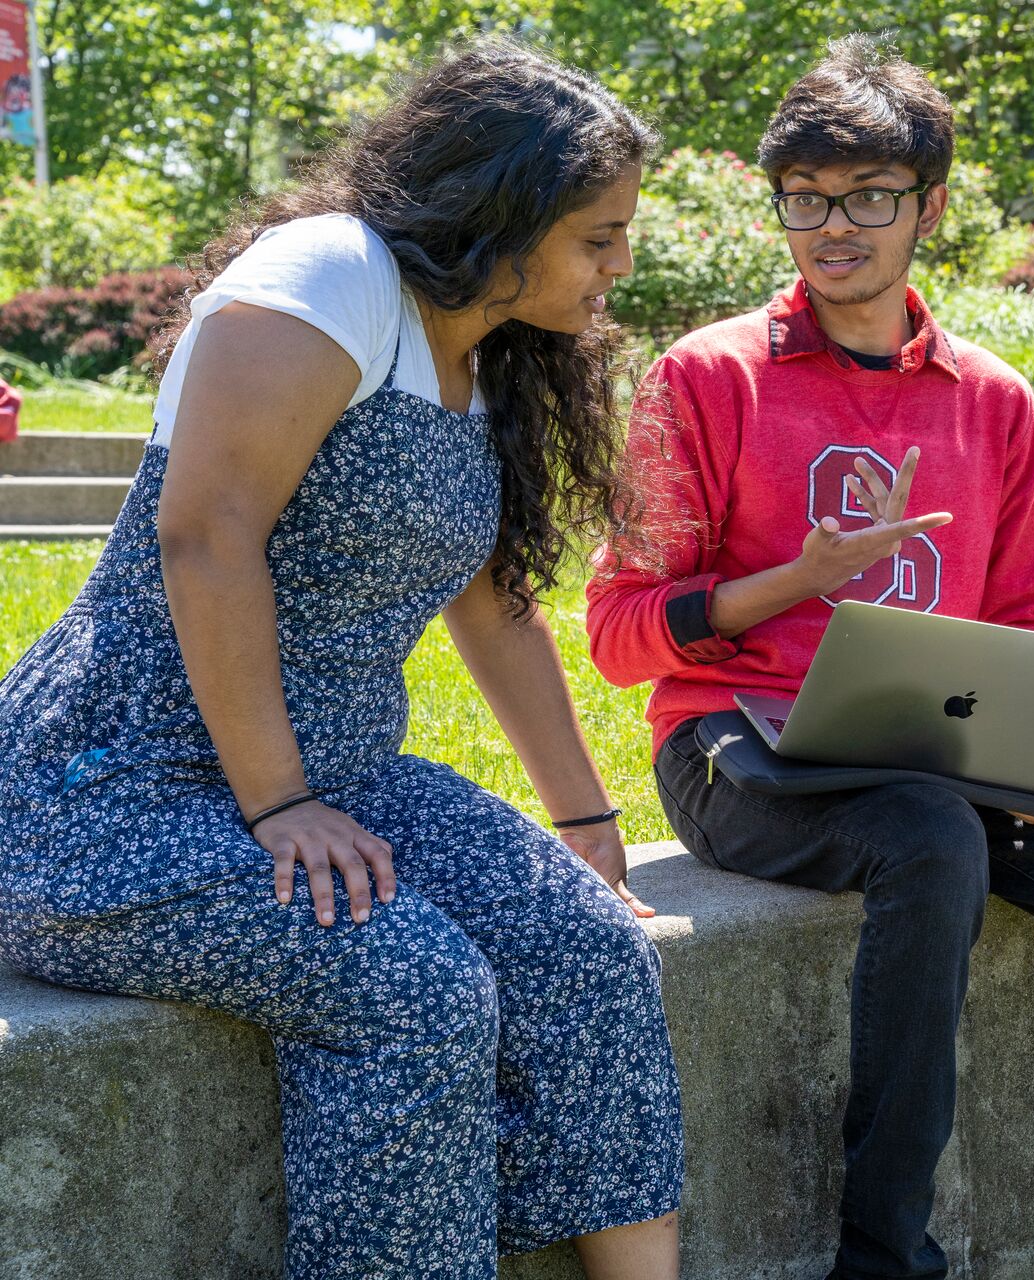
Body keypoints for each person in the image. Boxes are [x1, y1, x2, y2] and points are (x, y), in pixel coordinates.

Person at [0, 42, 682, 1280]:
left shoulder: (491, 351)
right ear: (503, 215)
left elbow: (495, 606)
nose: (620, 267)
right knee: (411, 986)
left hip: (335, 784)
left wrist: (582, 814)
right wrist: (281, 801)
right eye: (598, 236)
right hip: (111, 792)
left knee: (589, 947)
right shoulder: (330, 275)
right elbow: (205, 537)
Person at [585, 33, 1034, 1280]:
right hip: (737, 750)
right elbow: (620, 632)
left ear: (928, 206)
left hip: (943, 755)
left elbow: (1028, 617)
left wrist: (1026, 750)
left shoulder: (992, 400)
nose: (835, 228)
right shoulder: (704, 378)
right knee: (930, 838)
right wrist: (793, 585)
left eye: (870, 197)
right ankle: (884, 1259)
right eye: (807, 200)